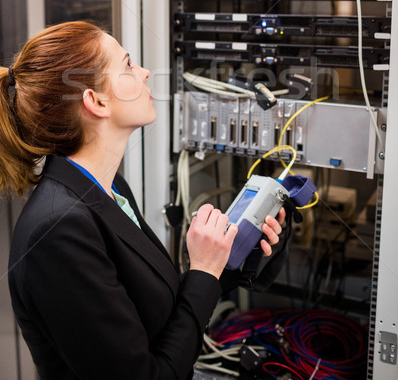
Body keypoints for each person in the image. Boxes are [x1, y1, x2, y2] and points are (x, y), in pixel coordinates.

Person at [1, 21, 286, 380]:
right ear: (96, 101)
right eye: (128, 64)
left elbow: (150, 313)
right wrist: (203, 270)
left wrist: (226, 257)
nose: (146, 72)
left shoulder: (108, 189)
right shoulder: (59, 231)